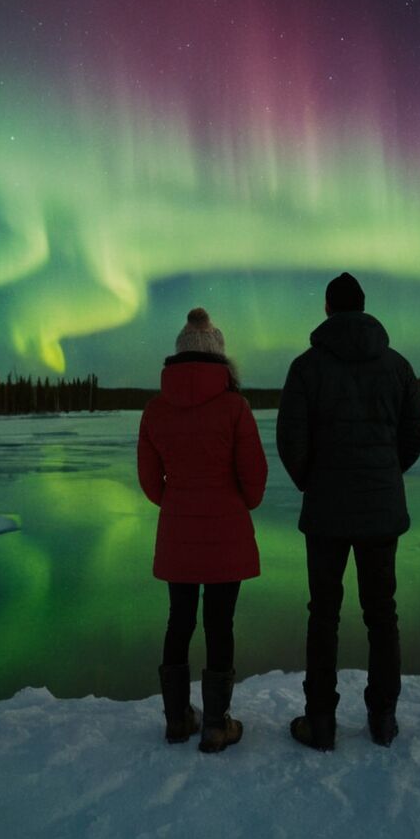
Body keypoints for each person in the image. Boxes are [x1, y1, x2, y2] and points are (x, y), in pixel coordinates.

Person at [276, 272, 420, 751]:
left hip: (326, 513)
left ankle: (321, 721)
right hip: (380, 513)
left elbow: (290, 440)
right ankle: (383, 717)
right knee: (382, 614)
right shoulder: (398, 367)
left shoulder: (306, 368)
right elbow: (416, 431)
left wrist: (313, 482)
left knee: (324, 613)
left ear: (327, 309)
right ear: (363, 308)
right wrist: (387, 472)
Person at [137, 307, 268, 754]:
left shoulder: (155, 410)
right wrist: (231, 502)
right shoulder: (236, 407)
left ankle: (177, 720)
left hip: (178, 535)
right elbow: (254, 483)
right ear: (220, 356)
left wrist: (178, 505)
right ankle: (215, 724)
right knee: (219, 623)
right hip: (226, 535)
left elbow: (151, 484)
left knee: (179, 620)